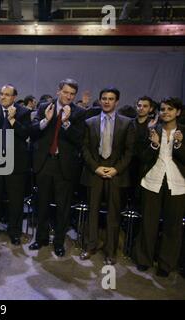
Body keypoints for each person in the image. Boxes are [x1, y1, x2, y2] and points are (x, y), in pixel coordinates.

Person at [29, 79, 85, 257]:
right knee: (42, 204)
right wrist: (46, 119)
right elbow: (33, 130)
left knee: (63, 208)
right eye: (66, 92)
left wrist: (67, 122)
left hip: (65, 166)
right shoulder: (45, 106)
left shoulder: (79, 112)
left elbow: (80, 139)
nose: (69, 96)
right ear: (58, 91)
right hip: (45, 162)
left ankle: (59, 242)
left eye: (72, 94)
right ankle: (41, 238)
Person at [80, 87, 135, 265]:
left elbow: (129, 152)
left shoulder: (127, 123)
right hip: (94, 172)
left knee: (113, 215)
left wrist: (116, 169)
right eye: (104, 98)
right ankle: (90, 246)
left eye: (111, 99)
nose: (106, 101)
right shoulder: (90, 122)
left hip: (116, 174)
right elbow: (85, 149)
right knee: (92, 212)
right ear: (100, 99)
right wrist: (96, 167)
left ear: (116, 102)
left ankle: (111, 252)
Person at [134, 97, 185, 277]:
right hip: (152, 181)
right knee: (148, 223)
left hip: (177, 183)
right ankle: (144, 259)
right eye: (163, 109)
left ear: (177, 112)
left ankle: (165, 264)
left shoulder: (184, 132)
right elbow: (142, 158)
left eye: (170, 109)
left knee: (173, 226)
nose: (166, 112)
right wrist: (154, 144)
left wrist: (179, 144)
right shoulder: (151, 130)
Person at [0, 84, 31, 245]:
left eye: (7, 94)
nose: (2, 97)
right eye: (1, 94)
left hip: (15, 164)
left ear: (14, 97)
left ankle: (14, 231)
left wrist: (12, 120)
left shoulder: (23, 112)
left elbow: (25, 134)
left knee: (16, 200)